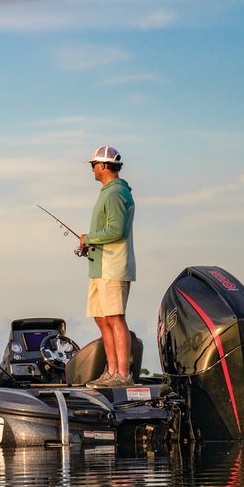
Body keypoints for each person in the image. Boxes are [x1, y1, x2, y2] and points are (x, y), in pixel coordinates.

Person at [78, 145, 136, 388]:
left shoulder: (114, 193)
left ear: (102, 166)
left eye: (93, 165)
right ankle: (112, 372)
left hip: (113, 266)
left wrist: (89, 238)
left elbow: (116, 229)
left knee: (115, 317)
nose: (91, 169)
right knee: (102, 318)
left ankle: (123, 374)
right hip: (100, 266)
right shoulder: (108, 192)